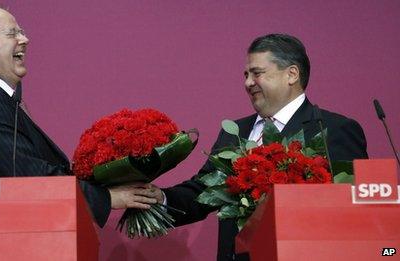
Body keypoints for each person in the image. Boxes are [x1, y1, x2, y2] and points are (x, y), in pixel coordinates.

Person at [153, 33, 368, 261]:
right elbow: (204, 192)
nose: (248, 83)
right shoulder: (235, 131)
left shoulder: (332, 130)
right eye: (246, 75)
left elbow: (351, 211)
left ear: (291, 74)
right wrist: (160, 198)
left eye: (257, 73)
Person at [0, 6, 158, 227]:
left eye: (22, 31)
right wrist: (106, 197)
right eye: (12, 33)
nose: (25, 39)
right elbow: (25, 172)